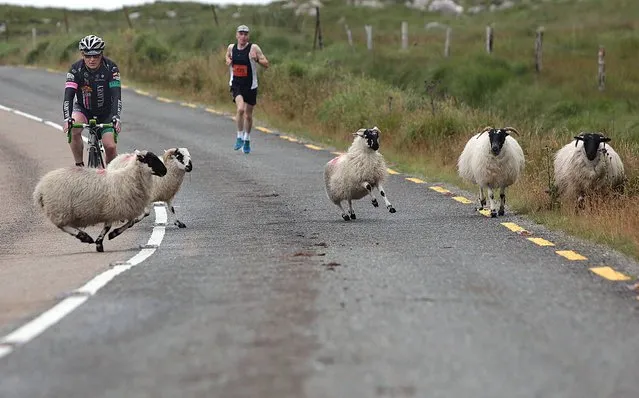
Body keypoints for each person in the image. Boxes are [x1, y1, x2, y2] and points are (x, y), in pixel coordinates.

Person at [62, 34, 122, 166]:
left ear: (101, 54)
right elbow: (69, 96)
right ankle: (79, 166)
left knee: (110, 147)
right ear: (82, 55)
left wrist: (116, 117)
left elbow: (116, 95)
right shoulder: (75, 70)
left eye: (96, 55)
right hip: (83, 109)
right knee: (73, 129)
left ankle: (109, 176)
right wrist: (67, 118)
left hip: (106, 112)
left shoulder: (111, 68)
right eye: (88, 56)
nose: (92, 59)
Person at [225, 24, 269, 154]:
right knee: (240, 109)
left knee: (248, 116)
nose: (243, 36)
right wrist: (228, 60)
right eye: (241, 34)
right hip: (236, 84)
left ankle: (247, 138)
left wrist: (257, 60)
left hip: (250, 85)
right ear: (237, 35)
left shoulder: (253, 48)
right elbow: (227, 55)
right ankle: (239, 136)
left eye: (246, 34)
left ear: (248, 36)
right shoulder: (231, 47)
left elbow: (266, 63)